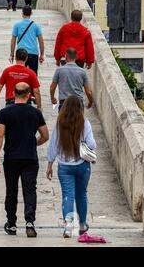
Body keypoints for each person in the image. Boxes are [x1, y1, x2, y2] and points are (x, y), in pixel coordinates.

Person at [0, 83, 49, 237]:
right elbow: (45, 136)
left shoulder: (5, 113)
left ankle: (11, 224)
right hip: (30, 157)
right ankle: (29, 222)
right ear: (29, 94)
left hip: (11, 157)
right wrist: (33, 142)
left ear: (13, 93)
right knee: (30, 190)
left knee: (11, 190)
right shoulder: (35, 113)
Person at [46, 95, 96, 238]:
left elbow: (53, 146)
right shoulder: (84, 123)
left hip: (64, 166)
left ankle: (68, 226)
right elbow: (92, 144)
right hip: (82, 165)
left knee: (67, 195)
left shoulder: (59, 123)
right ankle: (82, 224)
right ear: (80, 108)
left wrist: (49, 164)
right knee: (82, 194)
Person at [11, 6, 45, 75]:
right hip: (33, 53)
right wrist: (41, 54)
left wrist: (12, 54)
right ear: (31, 13)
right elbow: (41, 41)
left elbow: (13, 41)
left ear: (22, 13)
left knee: (20, 75)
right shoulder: (36, 25)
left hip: (20, 53)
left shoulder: (17, 25)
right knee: (33, 75)